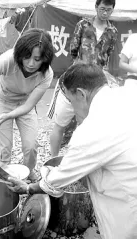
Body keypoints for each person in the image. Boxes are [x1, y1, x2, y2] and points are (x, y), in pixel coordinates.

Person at [7, 63, 137, 239]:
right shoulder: (128, 94)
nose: (72, 107)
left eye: (70, 100)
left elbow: (55, 181)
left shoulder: (92, 130)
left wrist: (28, 187)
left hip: (129, 210)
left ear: (81, 94)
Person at [0, 28, 54, 181]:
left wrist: (9, 115)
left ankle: (29, 171)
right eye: (27, 57)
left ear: (45, 58)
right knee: (3, 148)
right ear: (20, 54)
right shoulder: (8, 60)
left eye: (37, 59)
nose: (30, 64)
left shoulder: (47, 74)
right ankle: (4, 177)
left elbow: (28, 106)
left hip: (24, 102)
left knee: (31, 145)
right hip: (2, 100)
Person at [48, 0, 118, 157]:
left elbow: (107, 55)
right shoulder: (83, 25)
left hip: (94, 85)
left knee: (86, 126)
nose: (105, 12)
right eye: (102, 8)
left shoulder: (112, 31)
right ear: (96, 8)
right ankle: (53, 160)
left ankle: (80, 160)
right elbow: (73, 49)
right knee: (60, 124)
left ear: (113, 10)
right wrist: (80, 65)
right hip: (75, 79)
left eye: (108, 9)